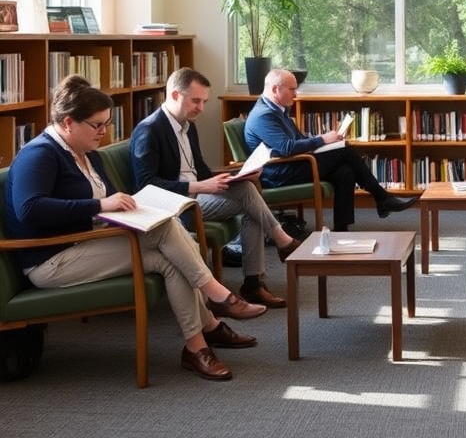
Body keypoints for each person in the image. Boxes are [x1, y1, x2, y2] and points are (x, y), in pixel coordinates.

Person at [4, 75, 267, 381]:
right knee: (168, 231)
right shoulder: (39, 154)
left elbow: (112, 198)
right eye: (97, 124)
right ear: (68, 123)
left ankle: (198, 345)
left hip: (88, 241)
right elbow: (30, 209)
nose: (104, 131)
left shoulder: (90, 155)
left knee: (170, 259)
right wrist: (101, 206)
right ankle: (217, 300)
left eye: (107, 123)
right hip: (51, 259)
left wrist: (131, 208)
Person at [130, 67, 302, 310]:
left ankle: (254, 281)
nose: (201, 108)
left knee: (247, 189)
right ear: (176, 95)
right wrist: (200, 185)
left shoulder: (188, 126)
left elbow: (200, 170)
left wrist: (237, 174)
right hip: (172, 208)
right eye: (196, 101)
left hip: (196, 196)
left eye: (204, 101)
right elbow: (145, 185)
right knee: (249, 199)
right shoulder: (149, 130)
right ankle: (278, 246)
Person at [244, 69, 416, 231]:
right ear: (275, 89)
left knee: (345, 171)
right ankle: (382, 198)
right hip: (279, 173)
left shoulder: (279, 110)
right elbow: (286, 148)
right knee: (346, 153)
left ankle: (342, 228)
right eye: (292, 90)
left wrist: (326, 143)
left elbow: (299, 140)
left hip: (292, 165)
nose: (296, 94)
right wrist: (323, 140)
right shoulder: (263, 115)